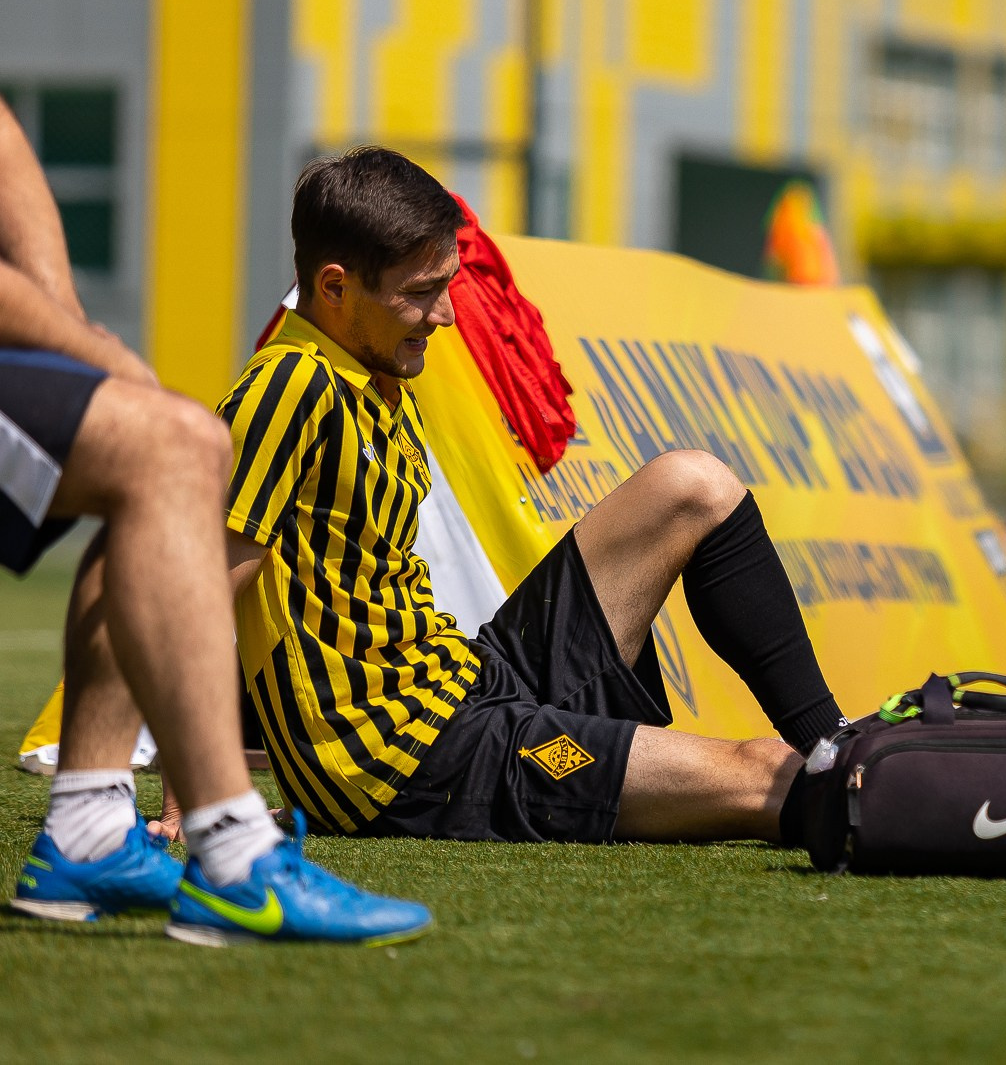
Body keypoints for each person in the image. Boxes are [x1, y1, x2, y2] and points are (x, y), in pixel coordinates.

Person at [0, 0, 425, 945]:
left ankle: (91, 833)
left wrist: (70, 326)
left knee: (160, 445)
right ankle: (232, 851)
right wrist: (96, 357)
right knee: (172, 446)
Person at [162, 147, 848, 860]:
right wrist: (190, 787)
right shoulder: (286, 387)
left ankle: (838, 742)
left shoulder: (377, 377)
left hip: (469, 679)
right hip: (408, 766)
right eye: (421, 292)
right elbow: (199, 595)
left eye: (447, 284)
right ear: (335, 286)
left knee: (691, 486)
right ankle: (876, 784)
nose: (445, 314)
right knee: (764, 775)